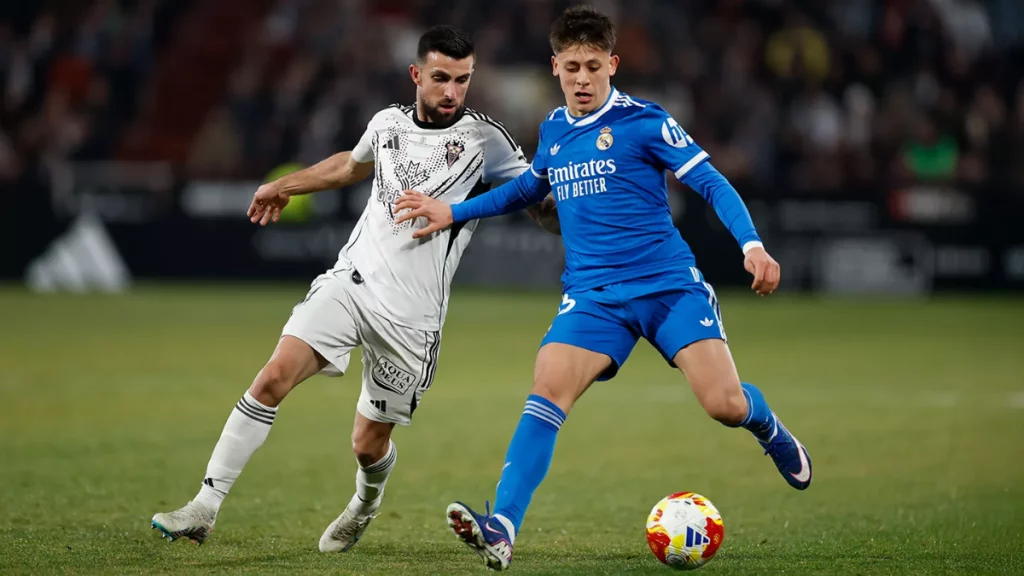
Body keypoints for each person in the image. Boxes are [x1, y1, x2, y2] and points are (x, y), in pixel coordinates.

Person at [394, 6, 811, 571]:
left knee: (724, 404)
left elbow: (709, 182)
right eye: (572, 67)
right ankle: (503, 526)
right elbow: (524, 191)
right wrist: (456, 210)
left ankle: (766, 424)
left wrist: (752, 245)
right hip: (592, 298)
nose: (583, 78)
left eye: (594, 66)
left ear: (612, 64)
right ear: (555, 67)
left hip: (667, 287)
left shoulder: (646, 122)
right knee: (546, 391)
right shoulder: (555, 132)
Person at [150, 25, 558, 552]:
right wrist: (283, 184)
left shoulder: (487, 141)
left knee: (368, 443)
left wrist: (580, 209)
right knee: (273, 376)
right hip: (352, 283)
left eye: (462, 80)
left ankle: (364, 503)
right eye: (440, 78)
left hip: (413, 321)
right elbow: (348, 165)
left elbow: (537, 205)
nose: (452, 92)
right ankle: (203, 507)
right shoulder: (386, 123)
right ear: (416, 75)